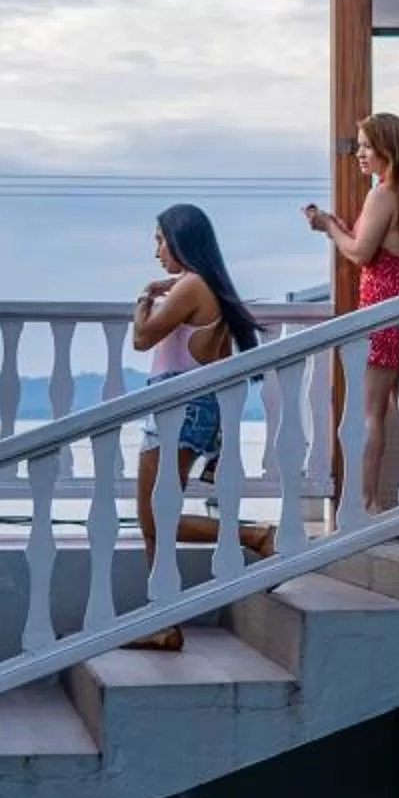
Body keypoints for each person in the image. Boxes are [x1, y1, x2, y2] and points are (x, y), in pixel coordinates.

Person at [125, 204, 273, 652]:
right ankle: (164, 621)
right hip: (181, 406)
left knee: (155, 518)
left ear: (180, 240)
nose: (156, 251)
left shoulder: (191, 287)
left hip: (181, 408)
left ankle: (253, 536)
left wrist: (144, 298)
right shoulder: (198, 285)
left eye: (159, 240)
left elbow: (141, 338)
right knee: (153, 520)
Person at [303, 111, 399, 529]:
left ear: (386, 148)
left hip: (384, 315)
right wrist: (344, 230)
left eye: (365, 146)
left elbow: (362, 254)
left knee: (370, 413)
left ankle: (365, 504)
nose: (359, 153)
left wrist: (328, 227)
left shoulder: (383, 194)